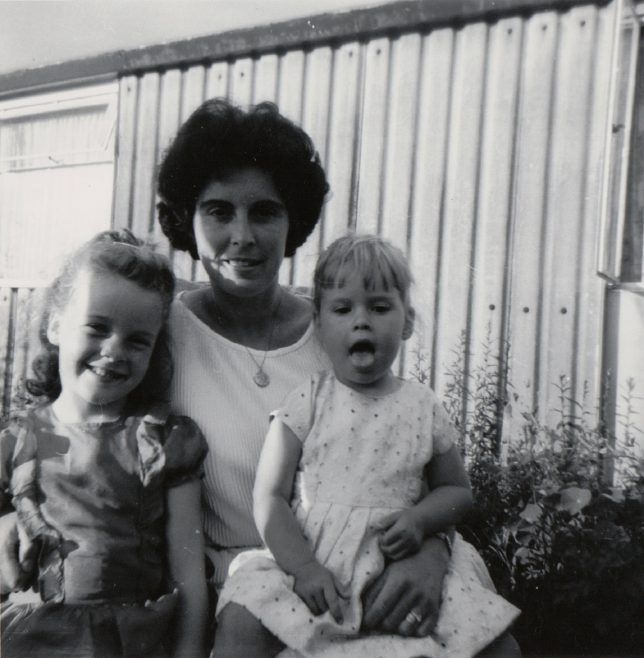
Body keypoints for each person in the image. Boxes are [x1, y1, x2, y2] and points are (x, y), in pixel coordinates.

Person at [1, 98, 519, 656]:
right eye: (219, 212)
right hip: (237, 601)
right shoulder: (157, 331)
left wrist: (432, 550)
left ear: (292, 220)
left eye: (264, 212)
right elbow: (77, 430)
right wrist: (11, 513)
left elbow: (401, 462)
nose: (242, 235)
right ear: (188, 221)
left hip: (361, 572)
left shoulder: (339, 331)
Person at [213, 234, 520, 657]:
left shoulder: (422, 405)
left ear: (407, 321)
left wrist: (419, 521)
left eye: (379, 307)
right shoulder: (307, 400)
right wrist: (302, 567)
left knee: (499, 646)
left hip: (397, 561)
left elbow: (457, 491)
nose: (361, 321)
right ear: (319, 326)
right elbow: (270, 497)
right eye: (343, 309)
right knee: (242, 615)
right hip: (320, 565)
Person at [0, 230, 208, 658]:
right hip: (32, 641)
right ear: (56, 324)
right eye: (96, 328)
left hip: (132, 641)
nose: (113, 351)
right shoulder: (26, 439)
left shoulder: (160, 440)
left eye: (137, 340)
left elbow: (190, 575)